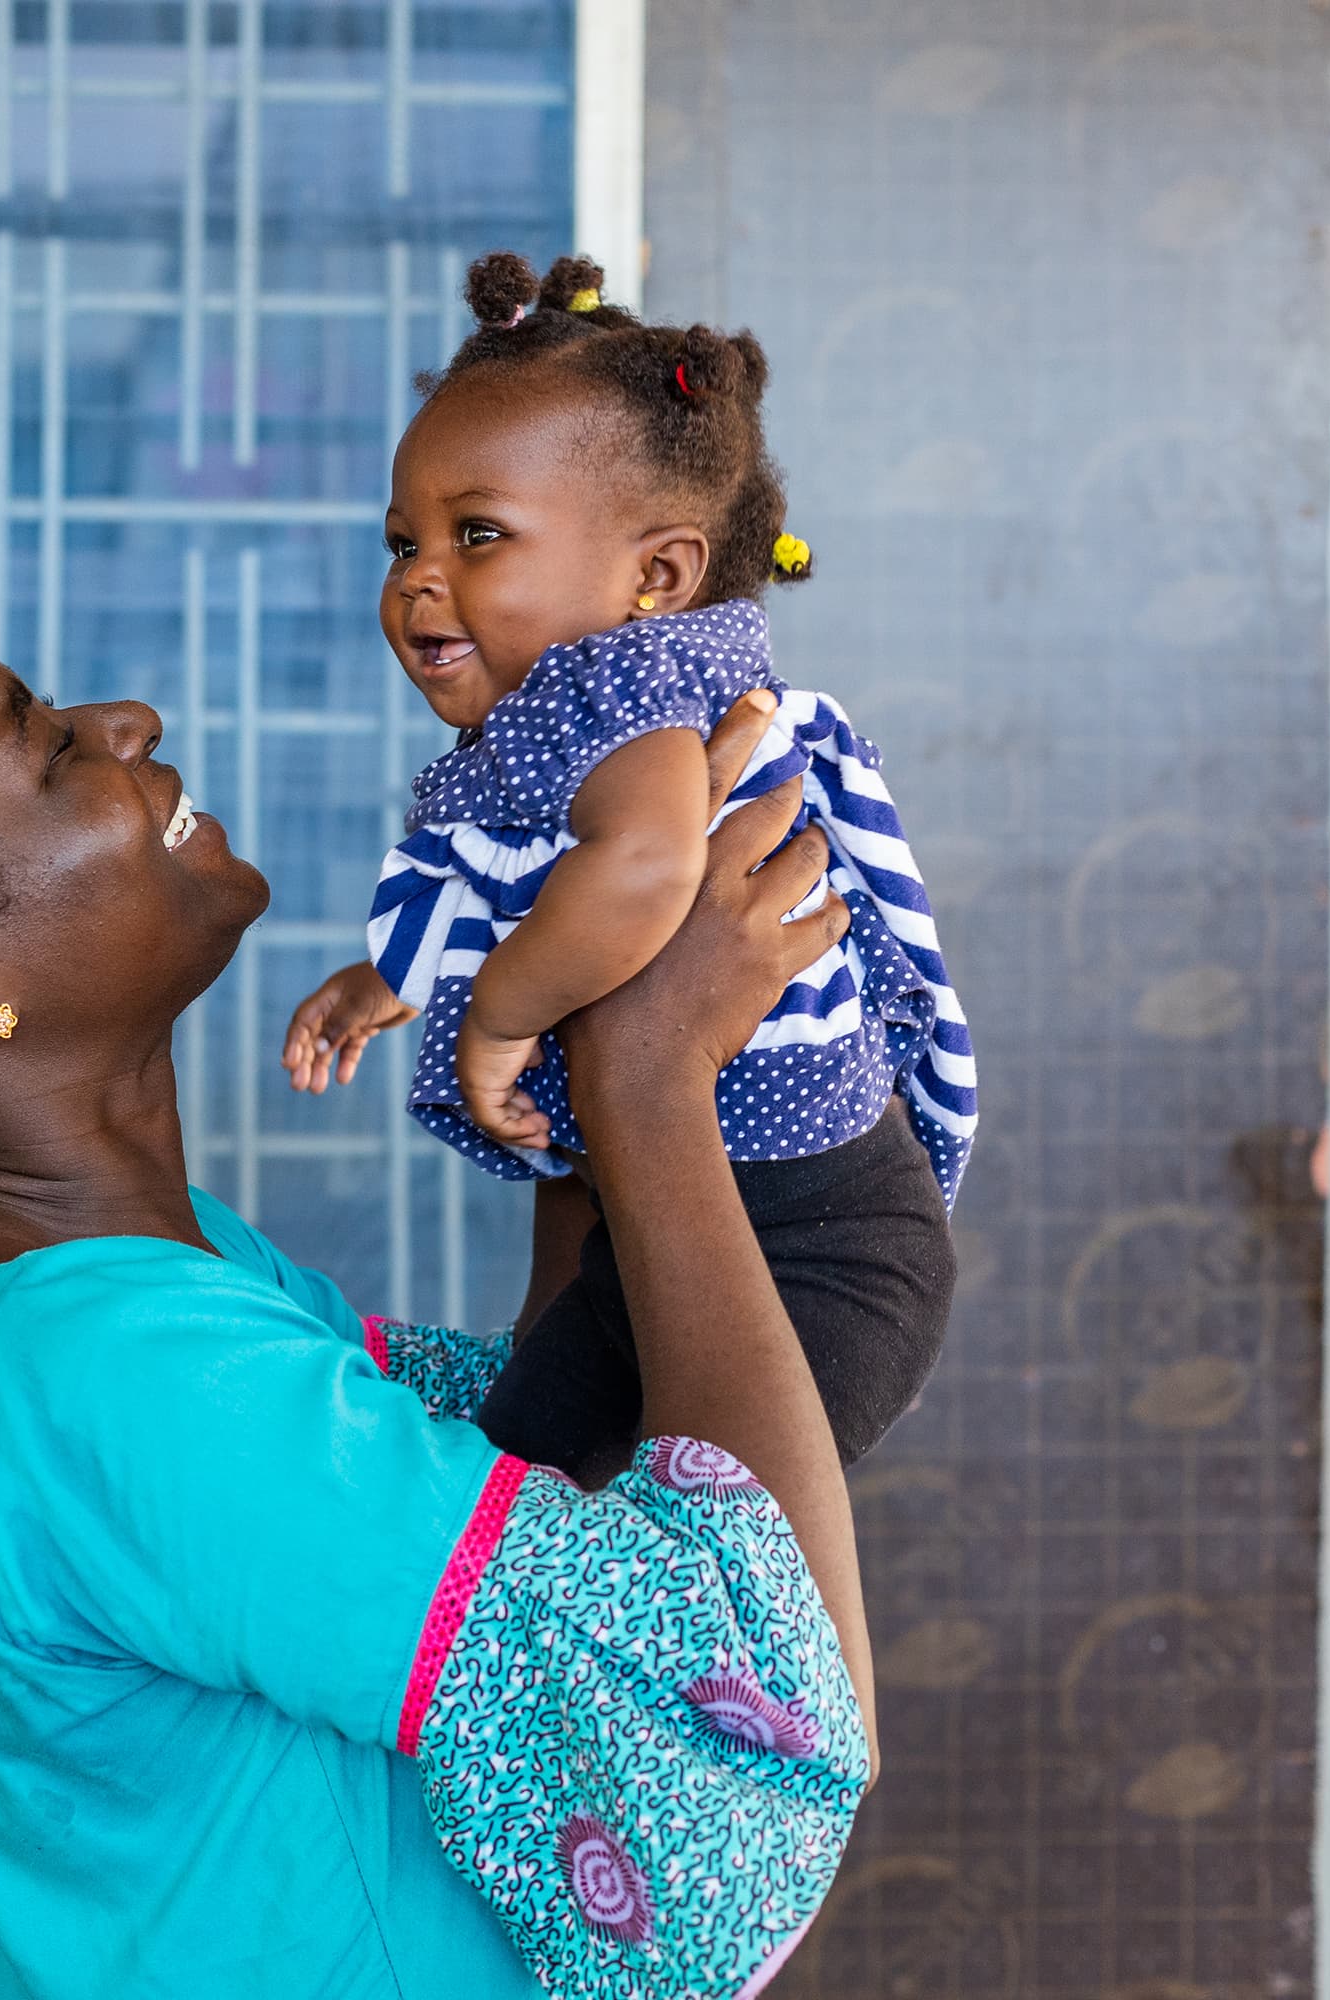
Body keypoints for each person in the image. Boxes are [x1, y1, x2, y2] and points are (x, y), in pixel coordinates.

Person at [0, 628, 877, 1998]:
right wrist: (646, 1083)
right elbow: (761, 1746)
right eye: (57, 751)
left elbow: (563, 1440)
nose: (132, 724)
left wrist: (570, 992)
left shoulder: (141, 1292)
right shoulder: (96, 1373)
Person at [281, 250, 976, 1479]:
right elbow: (550, 880)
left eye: (478, 533)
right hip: (671, 1232)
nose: (417, 580)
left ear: (657, 574)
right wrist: (396, 970)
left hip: (817, 1252)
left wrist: (497, 1015)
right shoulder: (586, 700)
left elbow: (648, 871)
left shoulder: (631, 690)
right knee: (522, 1494)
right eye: (402, 543)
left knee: (714, 1554)